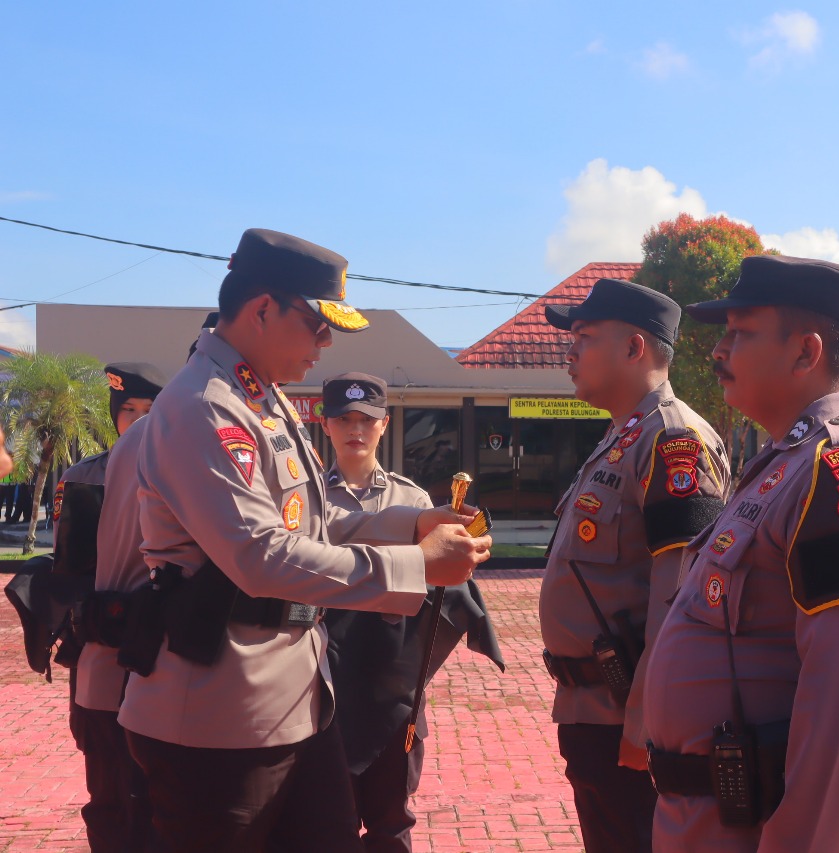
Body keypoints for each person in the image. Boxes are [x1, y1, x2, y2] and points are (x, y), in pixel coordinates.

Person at [118, 228, 492, 852]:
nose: (326, 342)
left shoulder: (259, 396)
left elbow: (308, 525)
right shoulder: (204, 406)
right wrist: (414, 566)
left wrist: (409, 524)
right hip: (217, 719)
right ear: (263, 308)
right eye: (318, 324)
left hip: (293, 700)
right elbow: (262, 557)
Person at [642, 255, 839, 851]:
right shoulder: (784, 461)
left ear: (805, 353)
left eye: (740, 334)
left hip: (753, 822)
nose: (719, 351)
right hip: (707, 816)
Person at [539, 277, 731, 852]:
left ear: (633, 348)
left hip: (626, 715)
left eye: (585, 337)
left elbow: (680, 598)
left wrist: (645, 722)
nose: (569, 352)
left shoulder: (673, 440)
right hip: (590, 708)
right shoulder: (624, 435)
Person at [319, 371, 504, 853]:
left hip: (392, 683)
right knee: (324, 823)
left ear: (384, 425)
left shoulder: (414, 500)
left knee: (392, 823)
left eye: (367, 419)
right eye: (344, 419)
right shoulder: (306, 499)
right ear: (326, 425)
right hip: (324, 685)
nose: (355, 429)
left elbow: (434, 589)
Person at [56, 362, 167, 852]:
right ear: (113, 415)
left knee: (153, 788)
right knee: (106, 785)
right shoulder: (84, 477)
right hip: (98, 641)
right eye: (130, 411)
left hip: (156, 647)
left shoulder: (173, 470)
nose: (139, 422)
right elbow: (69, 570)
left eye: (150, 411)